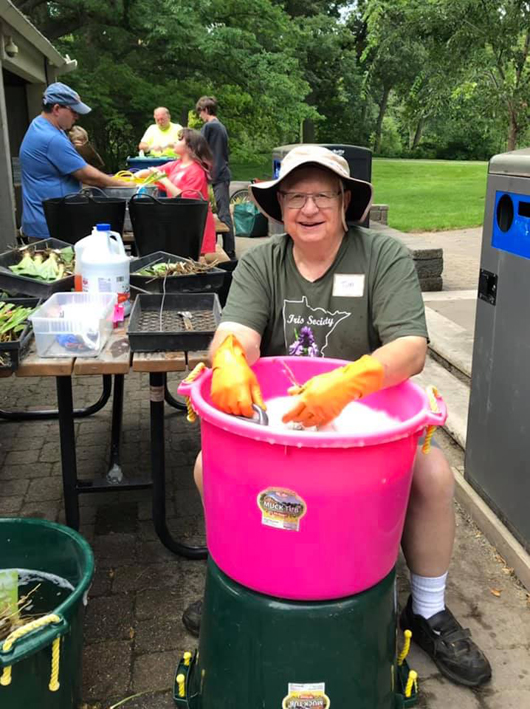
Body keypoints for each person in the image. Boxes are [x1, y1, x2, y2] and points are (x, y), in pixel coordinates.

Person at [182, 145, 492, 690]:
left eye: (322, 194)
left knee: (435, 475)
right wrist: (227, 358)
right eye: (295, 195)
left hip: (366, 423)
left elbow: (411, 348)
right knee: (211, 466)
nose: (308, 208)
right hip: (281, 427)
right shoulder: (261, 262)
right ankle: (231, 590)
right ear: (278, 205)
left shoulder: (384, 257)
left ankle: (427, 611)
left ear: (346, 201)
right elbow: (238, 333)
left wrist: (349, 382)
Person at [19, 82, 129, 240]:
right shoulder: (50, 137)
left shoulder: (41, 125)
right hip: (49, 227)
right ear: (57, 109)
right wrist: (124, 185)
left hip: (47, 222)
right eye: (73, 111)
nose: (77, 116)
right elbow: (87, 175)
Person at [135, 128, 219, 258]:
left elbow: (185, 199)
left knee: (194, 261)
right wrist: (135, 176)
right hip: (180, 222)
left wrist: (164, 180)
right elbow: (153, 171)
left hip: (196, 226)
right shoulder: (176, 165)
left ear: (190, 147)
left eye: (180, 139)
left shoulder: (196, 171)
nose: (175, 141)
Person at [196, 96, 235, 259]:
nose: (199, 116)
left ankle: (229, 252)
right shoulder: (220, 126)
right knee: (223, 212)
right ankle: (229, 249)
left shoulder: (210, 127)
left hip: (218, 174)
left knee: (223, 214)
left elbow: (197, 146)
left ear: (205, 110)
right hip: (221, 173)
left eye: (200, 112)